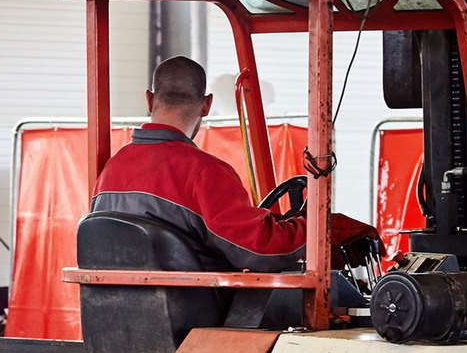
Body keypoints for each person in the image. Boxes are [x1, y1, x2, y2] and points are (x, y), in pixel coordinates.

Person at [90, 56, 313, 269]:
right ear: (206, 105)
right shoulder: (205, 173)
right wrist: (313, 226)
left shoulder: (110, 172)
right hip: (191, 296)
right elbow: (260, 250)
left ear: (149, 100)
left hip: (115, 297)